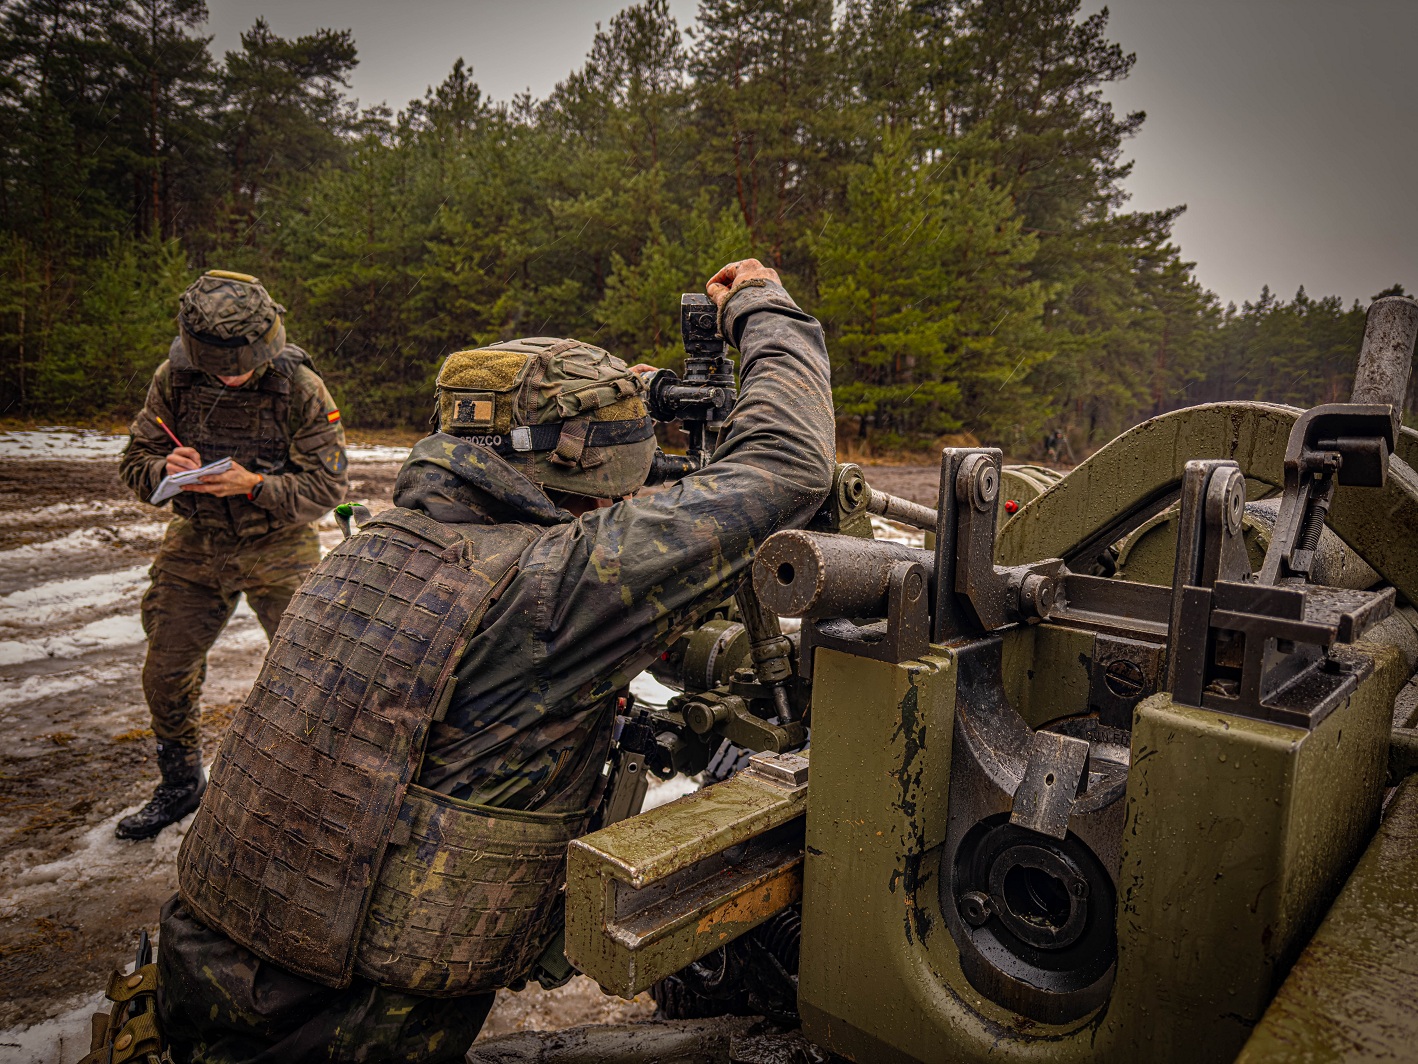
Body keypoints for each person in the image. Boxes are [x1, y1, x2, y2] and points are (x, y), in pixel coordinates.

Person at [128, 259, 836, 1063]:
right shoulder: (553, 589)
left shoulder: (382, 550)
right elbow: (787, 464)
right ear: (579, 462)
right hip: (335, 1035)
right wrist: (762, 308)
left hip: (203, 979)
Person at [115, 270, 349, 841]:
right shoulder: (174, 379)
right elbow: (135, 462)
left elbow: (327, 489)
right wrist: (161, 472)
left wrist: (253, 485)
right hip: (196, 545)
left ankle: (322, 792)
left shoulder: (301, 389)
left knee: (313, 675)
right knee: (165, 672)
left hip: (280, 544)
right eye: (221, 366)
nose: (233, 374)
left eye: (242, 363)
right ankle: (180, 781)